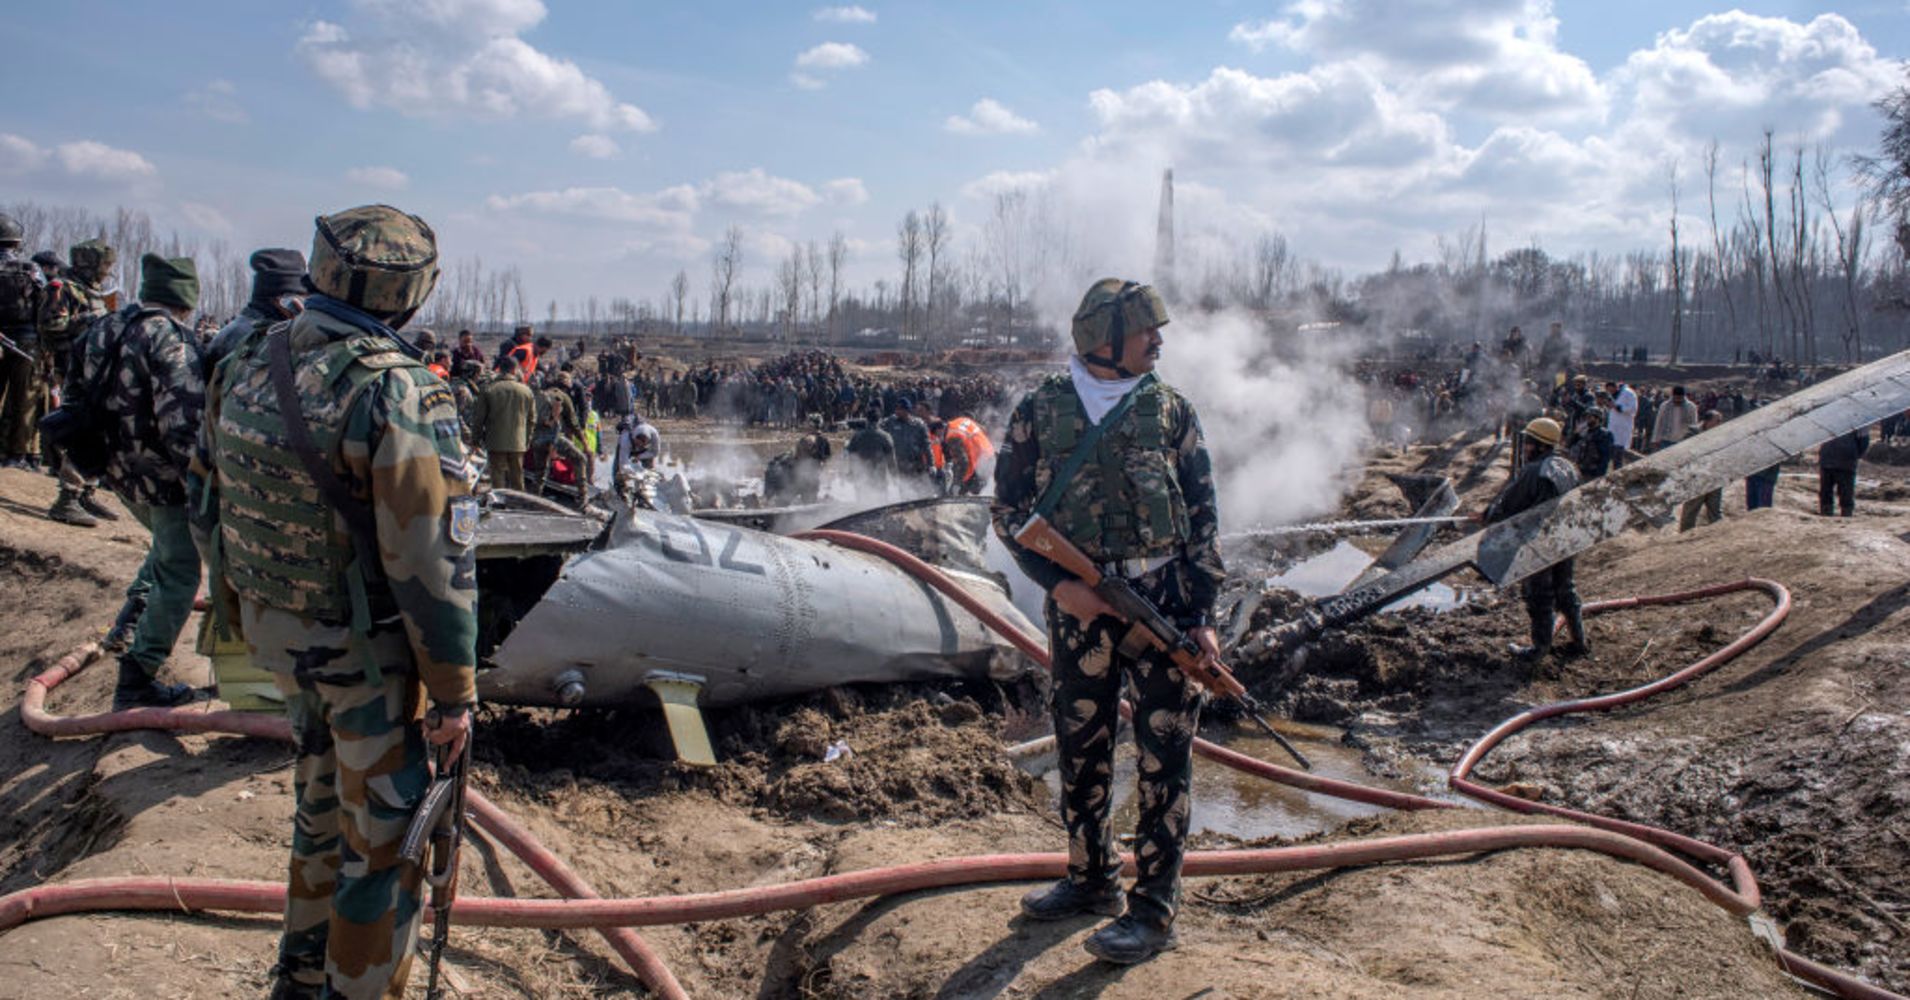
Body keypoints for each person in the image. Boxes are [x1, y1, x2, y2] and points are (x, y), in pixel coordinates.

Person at [199, 205, 475, 999]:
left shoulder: (249, 354)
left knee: (321, 806)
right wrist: (455, 695)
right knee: (385, 847)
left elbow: (207, 493)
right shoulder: (400, 392)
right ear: (414, 295)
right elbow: (431, 560)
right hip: (363, 654)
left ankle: (301, 974)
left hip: (280, 634)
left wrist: (240, 606)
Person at [993, 278, 1224, 965]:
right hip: (1080, 614)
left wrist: (1204, 615)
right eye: (1146, 330)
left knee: (1164, 760)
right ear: (1105, 339)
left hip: (1165, 609)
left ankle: (1153, 911)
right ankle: (1090, 878)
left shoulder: (1171, 412)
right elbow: (1006, 512)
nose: (1159, 340)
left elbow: (1205, 517)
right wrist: (1062, 586)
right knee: (1081, 745)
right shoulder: (1040, 409)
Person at [71, 253, 209, 708]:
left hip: (116, 470)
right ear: (184, 299)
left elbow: (73, 390)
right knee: (181, 571)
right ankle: (138, 676)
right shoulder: (169, 338)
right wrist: (205, 479)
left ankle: (130, 617)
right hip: (162, 477)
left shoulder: (106, 326)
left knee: (164, 547)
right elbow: (182, 423)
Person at [1482, 417, 1586, 661]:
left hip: (1538, 542)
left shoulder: (1533, 470)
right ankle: (1578, 641)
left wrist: (1487, 515)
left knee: (1539, 594)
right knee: (1565, 589)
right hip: (1566, 538)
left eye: (1529, 442)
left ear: (1540, 445)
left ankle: (1539, 650)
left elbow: (1509, 506)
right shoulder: (1568, 466)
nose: (1525, 447)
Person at [0, 213, 46, 470]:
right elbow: (44, 304)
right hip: (27, 341)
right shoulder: (31, 269)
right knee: (25, 400)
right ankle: (16, 455)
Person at [471, 353, 536, 490]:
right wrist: (526, 440)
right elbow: (531, 420)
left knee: (498, 477)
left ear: (499, 369)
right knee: (517, 478)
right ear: (514, 370)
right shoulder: (526, 391)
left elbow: (479, 418)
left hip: (495, 442)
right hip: (518, 442)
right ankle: (518, 507)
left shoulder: (489, 389)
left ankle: (499, 506)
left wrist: (476, 440)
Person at [1677, 411, 1726, 531]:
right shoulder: (1692, 435)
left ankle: (1717, 534)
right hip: (1697, 477)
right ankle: (1685, 535)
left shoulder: (1721, 435)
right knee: (1691, 510)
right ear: (1707, 422)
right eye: (1717, 421)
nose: (1720, 424)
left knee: (1715, 509)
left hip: (1714, 476)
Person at [1817, 427, 1870, 517]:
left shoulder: (1827, 416)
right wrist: (1856, 454)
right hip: (1847, 459)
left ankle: (1826, 511)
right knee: (1846, 489)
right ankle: (1846, 512)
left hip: (1827, 457)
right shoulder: (1859, 420)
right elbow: (1864, 442)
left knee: (1826, 488)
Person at [881, 395, 934, 482]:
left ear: (907, 410)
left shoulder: (918, 425)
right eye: (896, 408)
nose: (897, 411)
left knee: (916, 490)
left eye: (900, 409)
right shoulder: (890, 422)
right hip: (897, 464)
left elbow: (927, 445)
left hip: (915, 464)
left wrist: (931, 464)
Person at [845, 405, 897, 491]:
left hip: (861, 476)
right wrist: (894, 476)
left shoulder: (857, 436)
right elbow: (891, 459)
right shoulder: (885, 436)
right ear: (879, 420)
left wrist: (851, 471)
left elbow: (851, 456)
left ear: (866, 419)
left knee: (863, 502)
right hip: (879, 477)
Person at [941, 413, 996, 495]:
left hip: (981, 463)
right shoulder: (960, 421)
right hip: (989, 455)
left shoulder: (952, 436)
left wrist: (957, 484)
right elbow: (982, 429)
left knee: (969, 496)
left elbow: (964, 462)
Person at [1651, 385, 1698, 453]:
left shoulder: (1691, 407)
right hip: (1666, 440)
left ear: (1683, 396)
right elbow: (1658, 422)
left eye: (1680, 398)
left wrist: (1693, 441)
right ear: (1673, 396)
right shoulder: (1664, 406)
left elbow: (1694, 425)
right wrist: (1655, 439)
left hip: (1683, 441)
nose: (1678, 400)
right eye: (1676, 398)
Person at [1569, 406, 1613, 480]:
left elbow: (1605, 457)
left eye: (1590, 417)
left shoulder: (1604, 434)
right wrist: (1576, 434)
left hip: (1593, 473)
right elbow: (1570, 445)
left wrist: (1600, 476)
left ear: (1597, 418)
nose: (1587, 419)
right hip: (1580, 470)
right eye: (1587, 416)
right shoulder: (1585, 431)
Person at [1604, 380, 1637, 468]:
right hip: (1613, 427)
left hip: (1623, 427)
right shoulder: (1612, 395)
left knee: (1618, 455)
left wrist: (1617, 407)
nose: (1610, 392)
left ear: (1616, 387)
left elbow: (1633, 409)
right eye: (1609, 391)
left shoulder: (1628, 393)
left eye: (1611, 390)